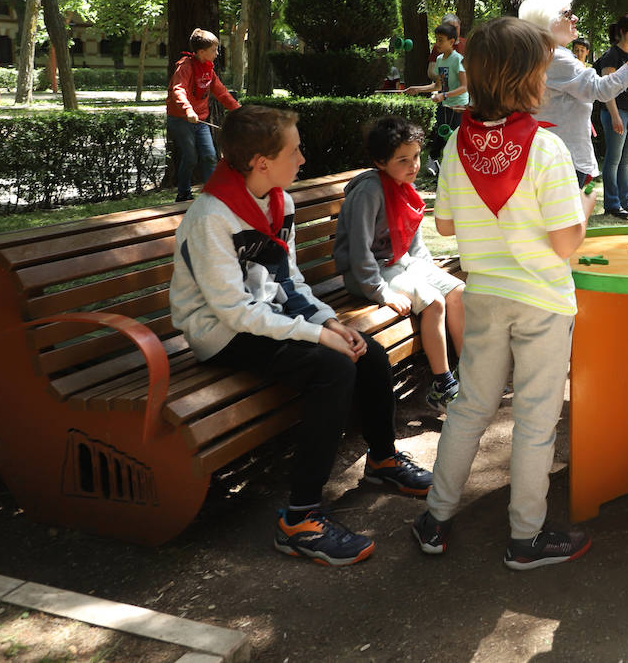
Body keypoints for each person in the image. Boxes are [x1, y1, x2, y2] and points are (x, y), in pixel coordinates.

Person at [170, 105, 432, 566]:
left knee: (365, 350)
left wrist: (328, 322)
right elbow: (233, 312)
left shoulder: (278, 201)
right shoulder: (212, 217)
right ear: (261, 162)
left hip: (266, 318)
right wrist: (313, 337)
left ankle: (383, 460)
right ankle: (299, 519)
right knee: (331, 368)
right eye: (295, 151)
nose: (303, 160)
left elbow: (288, 282)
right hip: (222, 334)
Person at [411, 17, 597, 569]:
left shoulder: (455, 147)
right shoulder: (546, 148)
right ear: (529, 81)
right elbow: (566, 242)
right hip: (543, 302)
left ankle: (435, 519)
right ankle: (525, 538)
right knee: (537, 420)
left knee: (470, 408)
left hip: (487, 296)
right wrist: (584, 209)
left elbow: (443, 227)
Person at [335, 116, 466, 411]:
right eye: (403, 160)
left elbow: (413, 244)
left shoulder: (404, 186)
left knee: (457, 290)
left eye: (417, 156)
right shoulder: (368, 192)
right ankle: (442, 385)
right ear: (381, 162)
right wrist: (383, 293)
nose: (414, 166)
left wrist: (428, 271)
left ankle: (468, 371)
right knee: (434, 303)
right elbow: (358, 253)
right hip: (368, 274)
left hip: (401, 263)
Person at [520, 0, 628, 187]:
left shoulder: (547, 54)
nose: (575, 18)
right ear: (548, 21)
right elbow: (601, 89)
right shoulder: (557, 57)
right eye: (567, 14)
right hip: (565, 160)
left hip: (558, 157)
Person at [167, 28, 240, 202]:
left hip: (200, 119)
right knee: (190, 157)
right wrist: (188, 110)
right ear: (201, 52)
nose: (217, 53)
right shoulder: (185, 66)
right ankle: (183, 194)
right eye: (214, 50)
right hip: (181, 119)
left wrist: (237, 109)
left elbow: (221, 92)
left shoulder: (208, 69)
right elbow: (178, 90)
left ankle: (212, 195)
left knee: (210, 155)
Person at [593, 14, 628, 218]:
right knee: (614, 160)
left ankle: (627, 202)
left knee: (627, 161)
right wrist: (615, 116)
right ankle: (613, 205)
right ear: (622, 32)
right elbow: (607, 90)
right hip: (615, 112)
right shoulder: (611, 56)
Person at [405, 24, 469, 170]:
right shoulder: (440, 59)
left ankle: (457, 169)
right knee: (442, 134)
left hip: (459, 106)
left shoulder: (458, 60)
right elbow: (439, 86)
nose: (437, 44)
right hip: (445, 104)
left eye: (441, 40)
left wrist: (444, 95)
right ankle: (435, 162)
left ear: (451, 42)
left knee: (455, 140)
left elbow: (465, 87)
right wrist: (417, 89)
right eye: (436, 40)